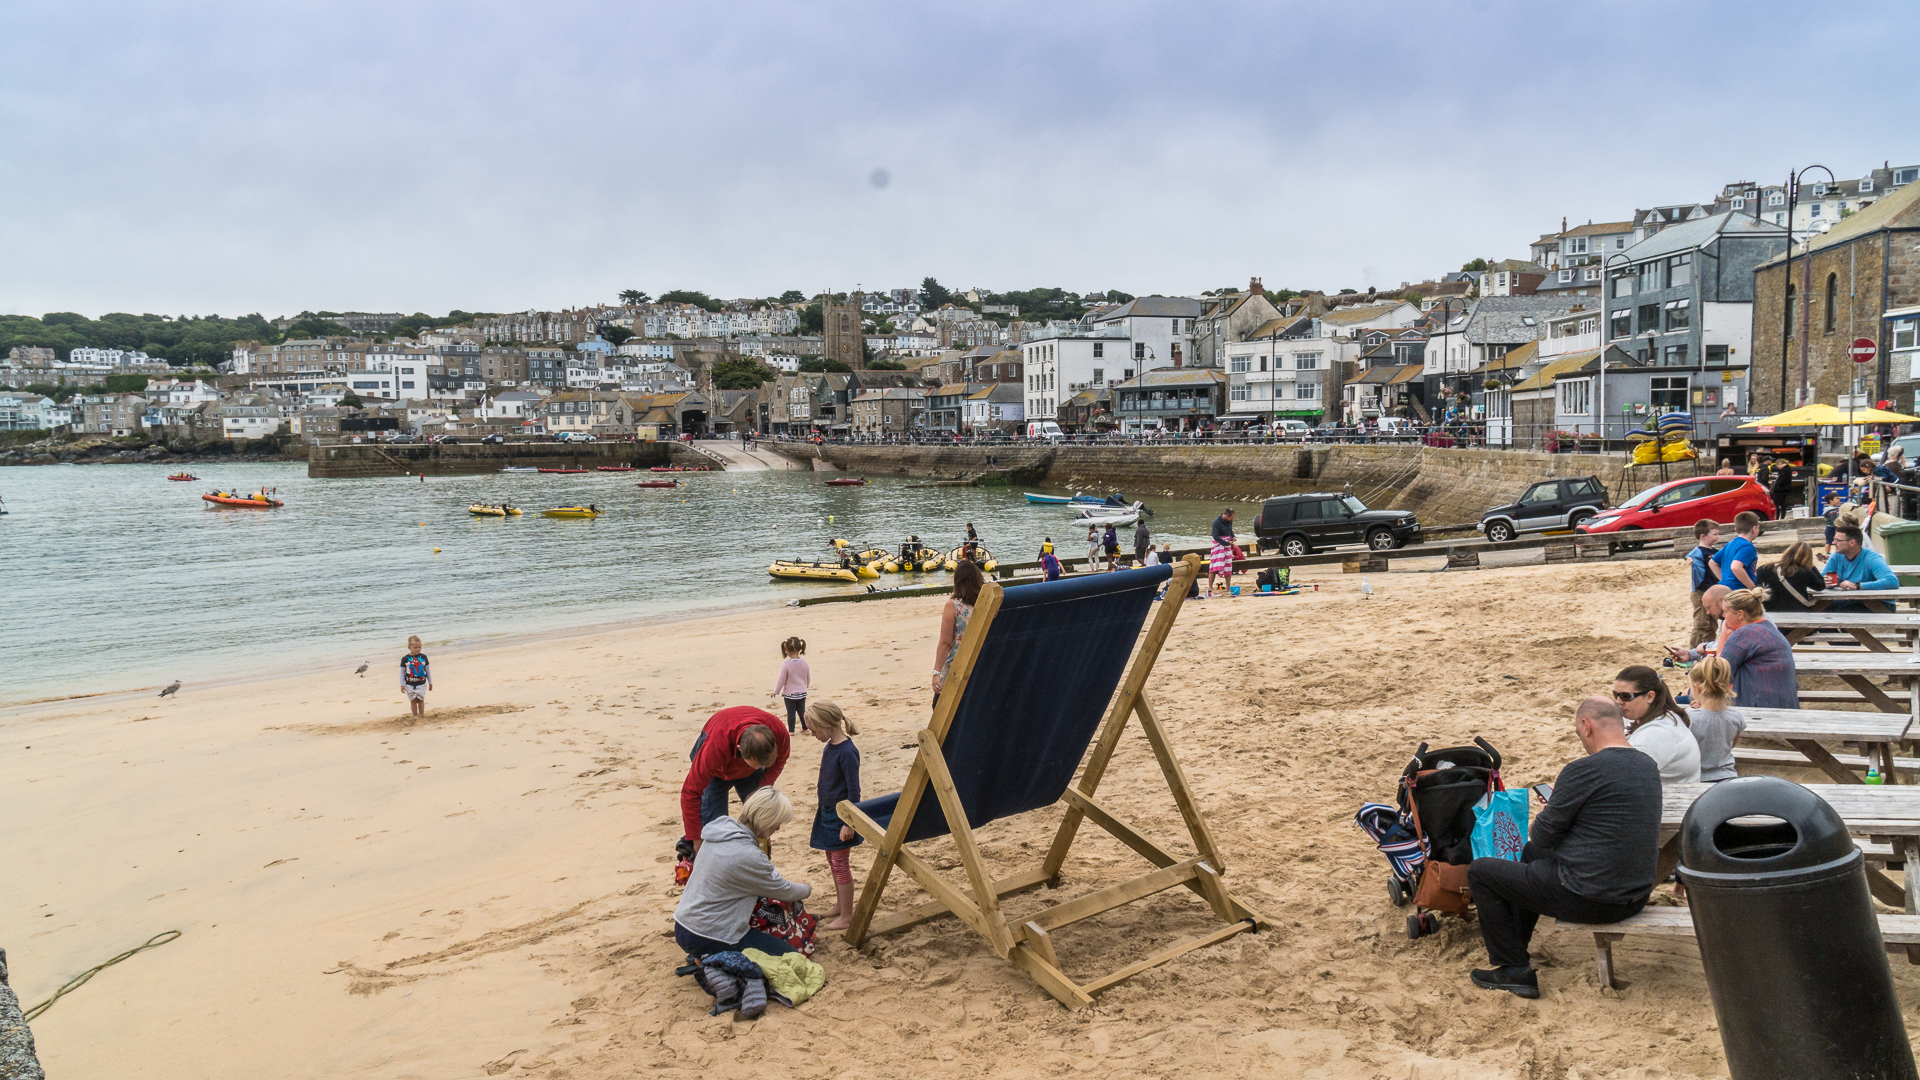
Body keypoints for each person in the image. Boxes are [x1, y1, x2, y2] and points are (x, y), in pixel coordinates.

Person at [1466, 697, 1660, 998]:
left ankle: (1513, 969)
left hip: (1590, 897)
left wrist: (1554, 807)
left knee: (1481, 871)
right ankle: (1517, 945)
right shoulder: (1647, 766)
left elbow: (1543, 834)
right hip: (1635, 895)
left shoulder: (1582, 771)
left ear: (1587, 726)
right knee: (1529, 855)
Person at [673, 787, 811, 958]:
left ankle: (705, 956)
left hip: (683, 924)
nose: (778, 828)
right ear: (767, 820)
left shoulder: (721, 830)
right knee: (792, 956)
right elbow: (785, 890)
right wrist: (807, 889)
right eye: (777, 822)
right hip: (711, 934)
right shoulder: (749, 856)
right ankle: (713, 960)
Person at [680, 706, 791, 849]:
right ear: (740, 749)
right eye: (756, 764)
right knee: (715, 827)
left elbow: (780, 761)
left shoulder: (779, 731)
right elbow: (690, 792)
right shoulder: (715, 747)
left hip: (748, 770)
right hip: (716, 773)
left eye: (763, 764)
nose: (759, 768)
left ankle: (761, 860)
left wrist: (762, 787)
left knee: (761, 816)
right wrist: (695, 840)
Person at [805, 701, 862, 931]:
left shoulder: (847, 752)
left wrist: (849, 823)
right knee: (832, 861)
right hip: (827, 812)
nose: (812, 734)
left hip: (842, 817)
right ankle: (840, 906)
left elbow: (854, 791)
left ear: (828, 726)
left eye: (814, 730)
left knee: (841, 864)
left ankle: (847, 915)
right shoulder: (830, 746)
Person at [1615, 665, 1700, 785]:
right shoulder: (1665, 716)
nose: (1618, 701)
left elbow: (1620, 776)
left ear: (1650, 696)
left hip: (1672, 800)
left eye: (1626, 696)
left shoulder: (1656, 734)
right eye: (1616, 695)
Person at [1686, 656, 1746, 783]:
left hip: (1697, 777)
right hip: (1727, 777)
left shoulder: (1689, 717)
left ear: (1697, 688)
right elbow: (1730, 745)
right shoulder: (1735, 716)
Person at [934, 560, 984, 703]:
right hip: (980, 665)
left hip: (956, 669)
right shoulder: (984, 604)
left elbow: (945, 643)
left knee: (937, 706)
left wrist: (936, 673)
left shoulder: (953, 606)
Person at [1825, 524, 1899, 593]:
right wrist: (1826, 582)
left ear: (1852, 543)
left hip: (1873, 604)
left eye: (1838, 540)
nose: (1833, 542)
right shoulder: (1836, 556)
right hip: (1846, 600)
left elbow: (1892, 581)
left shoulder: (1872, 558)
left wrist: (1858, 586)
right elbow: (1822, 579)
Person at [1755, 541, 1825, 612]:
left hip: (1769, 611)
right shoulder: (1805, 572)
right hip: (1798, 611)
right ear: (1807, 558)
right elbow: (1820, 586)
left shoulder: (1764, 568)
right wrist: (1812, 566)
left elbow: (1757, 586)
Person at [1685, 519, 1723, 646]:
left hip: (1713, 592)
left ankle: (1708, 649)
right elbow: (1689, 556)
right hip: (1701, 592)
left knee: (1712, 624)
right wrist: (1689, 560)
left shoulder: (1715, 551)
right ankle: (1693, 652)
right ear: (1703, 536)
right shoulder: (1698, 551)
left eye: (1718, 534)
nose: (1717, 537)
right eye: (1715, 534)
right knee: (1701, 624)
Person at [770, 636, 811, 733]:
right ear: (800, 648)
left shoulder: (786, 664)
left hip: (790, 694)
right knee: (802, 711)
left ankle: (791, 731)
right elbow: (807, 677)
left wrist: (775, 692)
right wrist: (805, 686)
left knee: (791, 712)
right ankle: (805, 728)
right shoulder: (804, 662)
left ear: (786, 649)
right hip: (802, 692)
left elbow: (781, 680)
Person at [1718, 511, 1762, 590]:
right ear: (1754, 529)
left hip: (1724, 588)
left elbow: (1712, 563)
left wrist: (1724, 581)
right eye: (1758, 527)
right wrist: (1752, 587)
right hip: (1738, 590)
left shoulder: (1730, 543)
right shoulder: (1747, 546)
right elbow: (1735, 567)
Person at [399, 635, 432, 718]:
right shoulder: (405, 659)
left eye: (419, 647)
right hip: (410, 684)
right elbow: (402, 673)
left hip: (421, 683)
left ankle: (421, 715)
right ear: (409, 647)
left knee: (421, 700)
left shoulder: (423, 657)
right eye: (415, 647)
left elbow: (428, 671)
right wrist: (401, 684)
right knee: (413, 701)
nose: (418, 649)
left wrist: (430, 682)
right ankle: (415, 716)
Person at [1208, 508, 1238, 597]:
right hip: (1218, 545)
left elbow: (1230, 531)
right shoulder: (1216, 522)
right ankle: (1210, 586)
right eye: (1231, 518)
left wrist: (1233, 537)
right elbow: (1215, 536)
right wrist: (1226, 543)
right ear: (1226, 516)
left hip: (1227, 545)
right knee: (1214, 565)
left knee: (1228, 566)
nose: (1232, 520)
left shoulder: (1229, 521)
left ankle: (1228, 587)